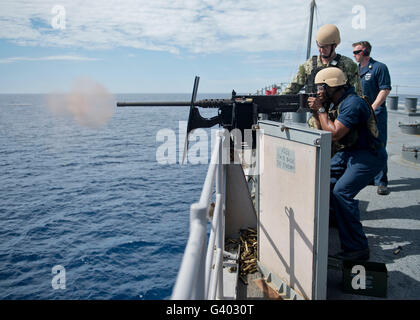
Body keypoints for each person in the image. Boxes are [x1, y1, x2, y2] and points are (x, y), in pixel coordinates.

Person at [308, 67, 387, 260]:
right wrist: (320, 111)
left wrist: (320, 109)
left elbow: (334, 134)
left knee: (342, 192)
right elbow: (325, 132)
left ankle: (357, 248)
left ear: (332, 87)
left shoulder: (352, 104)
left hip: (368, 156)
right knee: (321, 176)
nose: (318, 91)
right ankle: (337, 217)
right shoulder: (338, 102)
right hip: (351, 152)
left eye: (321, 87)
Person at [352, 41, 392, 195]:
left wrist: (372, 108)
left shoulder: (379, 67)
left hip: (376, 114)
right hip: (361, 115)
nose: (354, 55)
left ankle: (382, 181)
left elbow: (385, 89)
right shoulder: (356, 70)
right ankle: (370, 177)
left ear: (365, 51)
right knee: (364, 145)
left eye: (356, 52)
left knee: (378, 146)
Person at [282, 24, 362, 96]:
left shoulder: (348, 65)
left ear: (334, 45)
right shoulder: (308, 66)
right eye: (319, 46)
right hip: (313, 111)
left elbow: (357, 94)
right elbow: (292, 88)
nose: (321, 50)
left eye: (325, 47)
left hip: (341, 111)